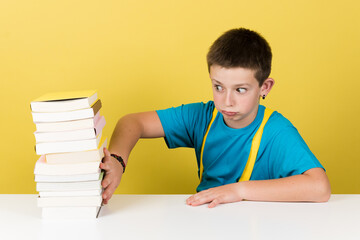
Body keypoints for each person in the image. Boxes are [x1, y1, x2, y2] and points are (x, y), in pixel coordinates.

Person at [100, 28, 331, 207]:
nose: (226, 101)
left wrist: (239, 191)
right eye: (218, 87)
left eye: (240, 90)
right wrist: (119, 161)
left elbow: (320, 187)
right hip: (208, 223)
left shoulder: (277, 132)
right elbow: (132, 122)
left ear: (265, 87)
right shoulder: (201, 116)